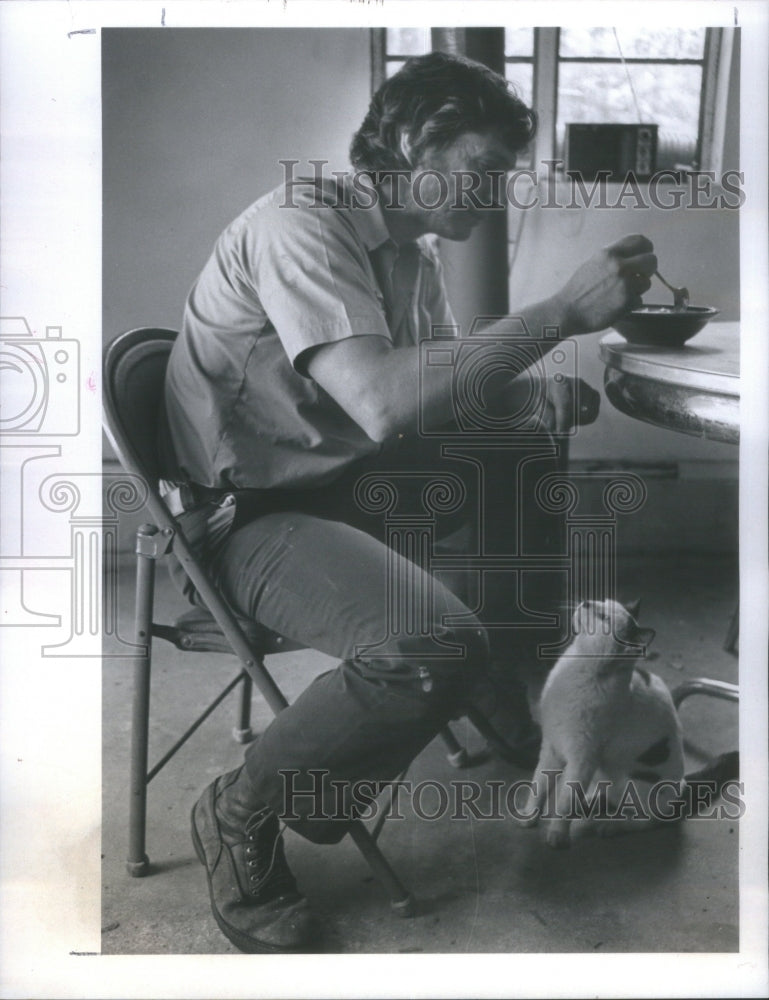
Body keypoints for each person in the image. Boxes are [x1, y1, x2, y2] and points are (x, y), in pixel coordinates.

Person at [160, 50, 656, 953]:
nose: (495, 194)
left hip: (343, 486)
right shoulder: (298, 227)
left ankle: (508, 670)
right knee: (425, 639)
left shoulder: (409, 248)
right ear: (408, 143)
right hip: (245, 517)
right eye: (483, 169)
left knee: (519, 448)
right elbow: (382, 400)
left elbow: (431, 392)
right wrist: (557, 316)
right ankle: (241, 809)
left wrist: (527, 396)